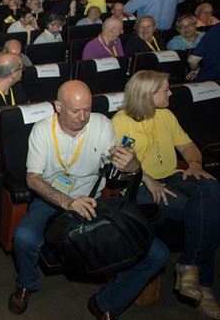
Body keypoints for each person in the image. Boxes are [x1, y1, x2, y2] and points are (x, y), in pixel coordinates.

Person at [10, 79, 169, 319]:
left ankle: (106, 302)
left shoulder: (102, 125)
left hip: (92, 199)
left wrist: (133, 166)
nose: (83, 117)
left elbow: (117, 172)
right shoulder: (42, 130)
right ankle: (26, 283)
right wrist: (67, 202)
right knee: (24, 238)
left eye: (88, 109)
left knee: (157, 253)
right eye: (76, 111)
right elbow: (33, 178)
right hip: (52, 198)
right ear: (58, 106)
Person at [112, 70, 220, 319]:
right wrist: (149, 180)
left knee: (211, 187)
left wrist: (194, 164)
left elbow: (188, 146)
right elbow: (122, 168)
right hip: (139, 185)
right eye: (165, 89)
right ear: (148, 95)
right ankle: (203, 283)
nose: (170, 92)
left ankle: (189, 265)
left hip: (172, 175)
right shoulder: (121, 122)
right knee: (209, 214)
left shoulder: (166, 114)